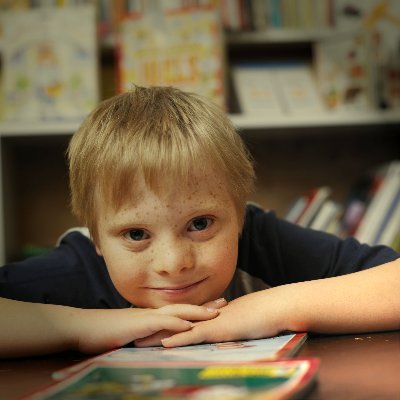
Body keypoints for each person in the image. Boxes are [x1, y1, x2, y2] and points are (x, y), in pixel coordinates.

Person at [0, 86, 399, 359]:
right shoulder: (80, 267)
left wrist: (268, 307)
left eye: (200, 224)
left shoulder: (258, 238)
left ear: (238, 215)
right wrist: (84, 328)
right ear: (98, 238)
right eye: (136, 234)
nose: (173, 263)